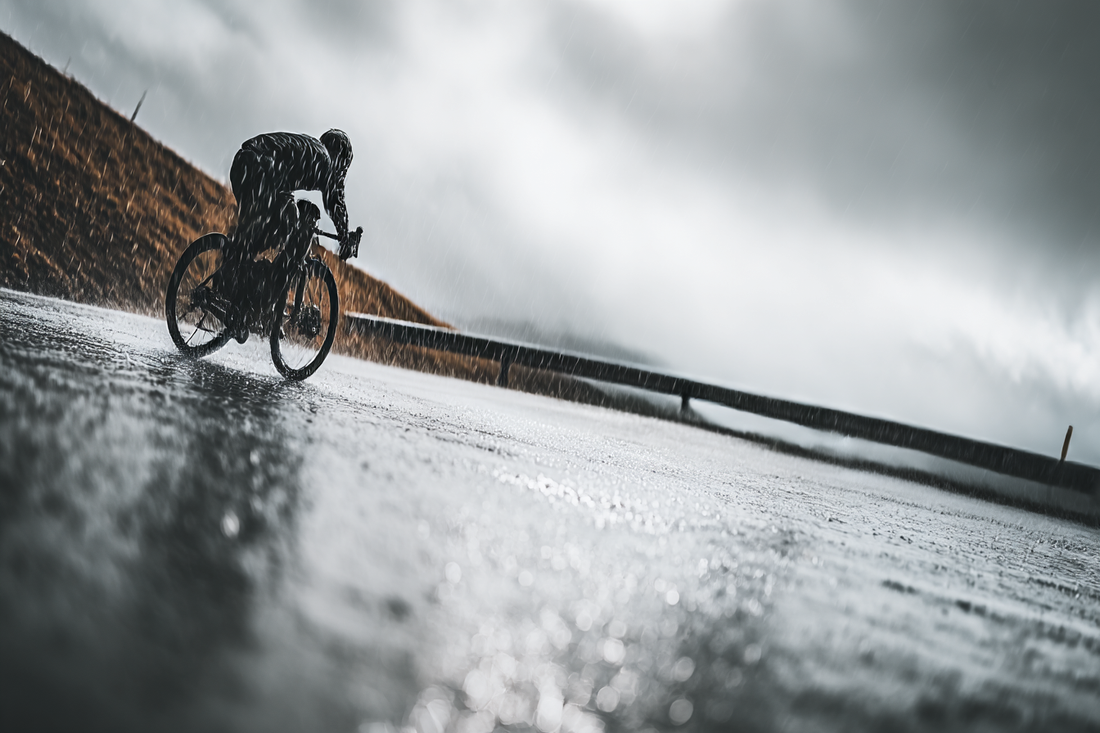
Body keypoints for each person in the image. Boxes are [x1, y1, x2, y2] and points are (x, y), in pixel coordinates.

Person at [221, 129, 360, 339]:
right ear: (339, 158)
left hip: (244, 163)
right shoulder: (324, 158)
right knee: (290, 224)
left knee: (257, 236)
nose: (342, 173)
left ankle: (236, 291)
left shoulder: (313, 149)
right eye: (344, 167)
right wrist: (345, 235)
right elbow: (335, 199)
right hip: (263, 169)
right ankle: (262, 302)